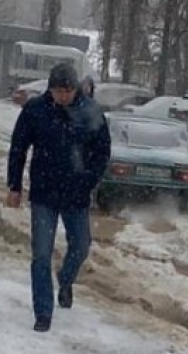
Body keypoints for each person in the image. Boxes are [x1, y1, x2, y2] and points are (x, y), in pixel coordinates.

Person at [7, 63, 111, 333]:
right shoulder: (35, 110)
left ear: (75, 89)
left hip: (76, 194)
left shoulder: (90, 111)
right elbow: (18, 147)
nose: (63, 96)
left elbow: (102, 151)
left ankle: (65, 280)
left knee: (81, 246)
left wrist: (90, 180)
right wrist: (14, 185)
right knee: (41, 252)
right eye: (57, 91)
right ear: (50, 90)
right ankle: (43, 311)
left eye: (67, 91)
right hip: (44, 192)